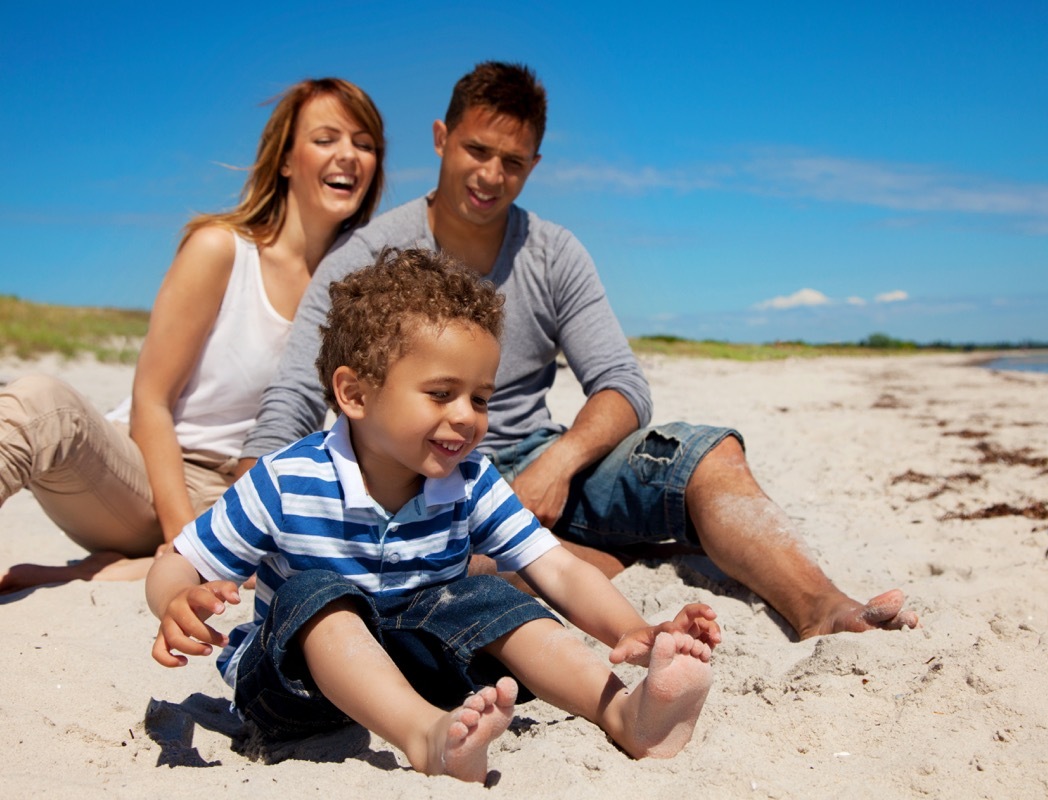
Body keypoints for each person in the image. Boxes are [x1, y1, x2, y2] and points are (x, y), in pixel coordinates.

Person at [240, 61, 920, 641]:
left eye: (512, 162)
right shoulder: (370, 253)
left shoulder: (554, 252)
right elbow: (298, 392)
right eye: (477, 151)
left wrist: (558, 464)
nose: (491, 175)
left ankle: (823, 609)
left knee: (711, 456)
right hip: (418, 477)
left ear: (534, 164)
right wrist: (250, 517)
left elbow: (623, 383)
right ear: (442, 139)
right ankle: (588, 559)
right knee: (454, 564)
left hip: (537, 456)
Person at [146, 248, 719, 783]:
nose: (468, 417)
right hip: (293, 690)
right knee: (316, 594)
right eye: (441, 393)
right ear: (355, 394)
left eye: (480, 398)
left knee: (492, 594)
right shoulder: (286, 481)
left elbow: (559, 570)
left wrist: (631, 630)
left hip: (423, 672)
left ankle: (625, 713)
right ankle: (426, 739)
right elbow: (179, 562)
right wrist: (175, 601)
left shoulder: (470, 480)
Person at [0, 77, 386, 594]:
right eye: (326, 139)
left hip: (242, 497)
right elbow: (151, 400)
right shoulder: (222, 249)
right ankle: (142, 555)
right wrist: (184, 536)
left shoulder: (358, 292)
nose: (349, 156)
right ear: (287, 160)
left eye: (365, 145)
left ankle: (104, 571)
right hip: (141, 478)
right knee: (39, 403)